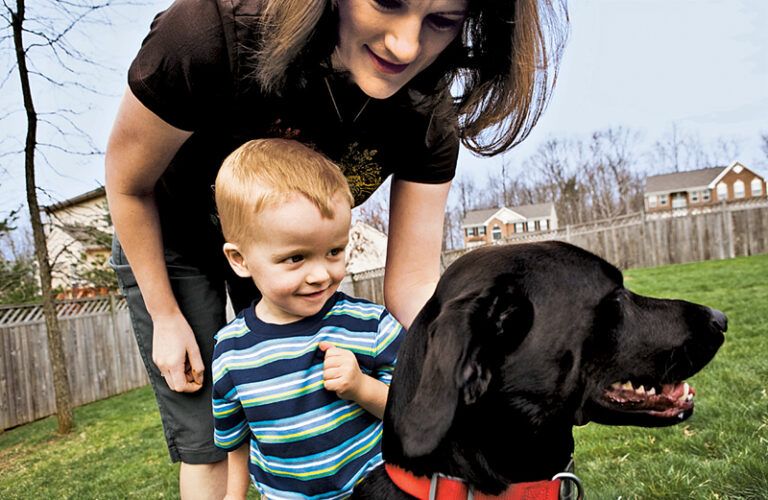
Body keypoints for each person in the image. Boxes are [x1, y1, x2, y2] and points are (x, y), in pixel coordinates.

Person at [105, 0, 567, 497]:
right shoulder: (208, 34)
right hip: (171, 236)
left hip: (294, 255)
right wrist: (165, 315)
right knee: (207, 434)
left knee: (304, 393)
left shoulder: (425, 115)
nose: (405, 45)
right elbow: (130, 186)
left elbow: (413, 283)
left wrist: (473, 359)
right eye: (387, 2)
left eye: (442, 21)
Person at [211, 138, 404, 499]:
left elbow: (410, 410)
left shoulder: (370, 325)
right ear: (240, 260)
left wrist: (361, 388)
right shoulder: (231, 352)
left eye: (334, 251)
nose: (320, 274)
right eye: (296, 258)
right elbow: (236, 440)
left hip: (377, 491)